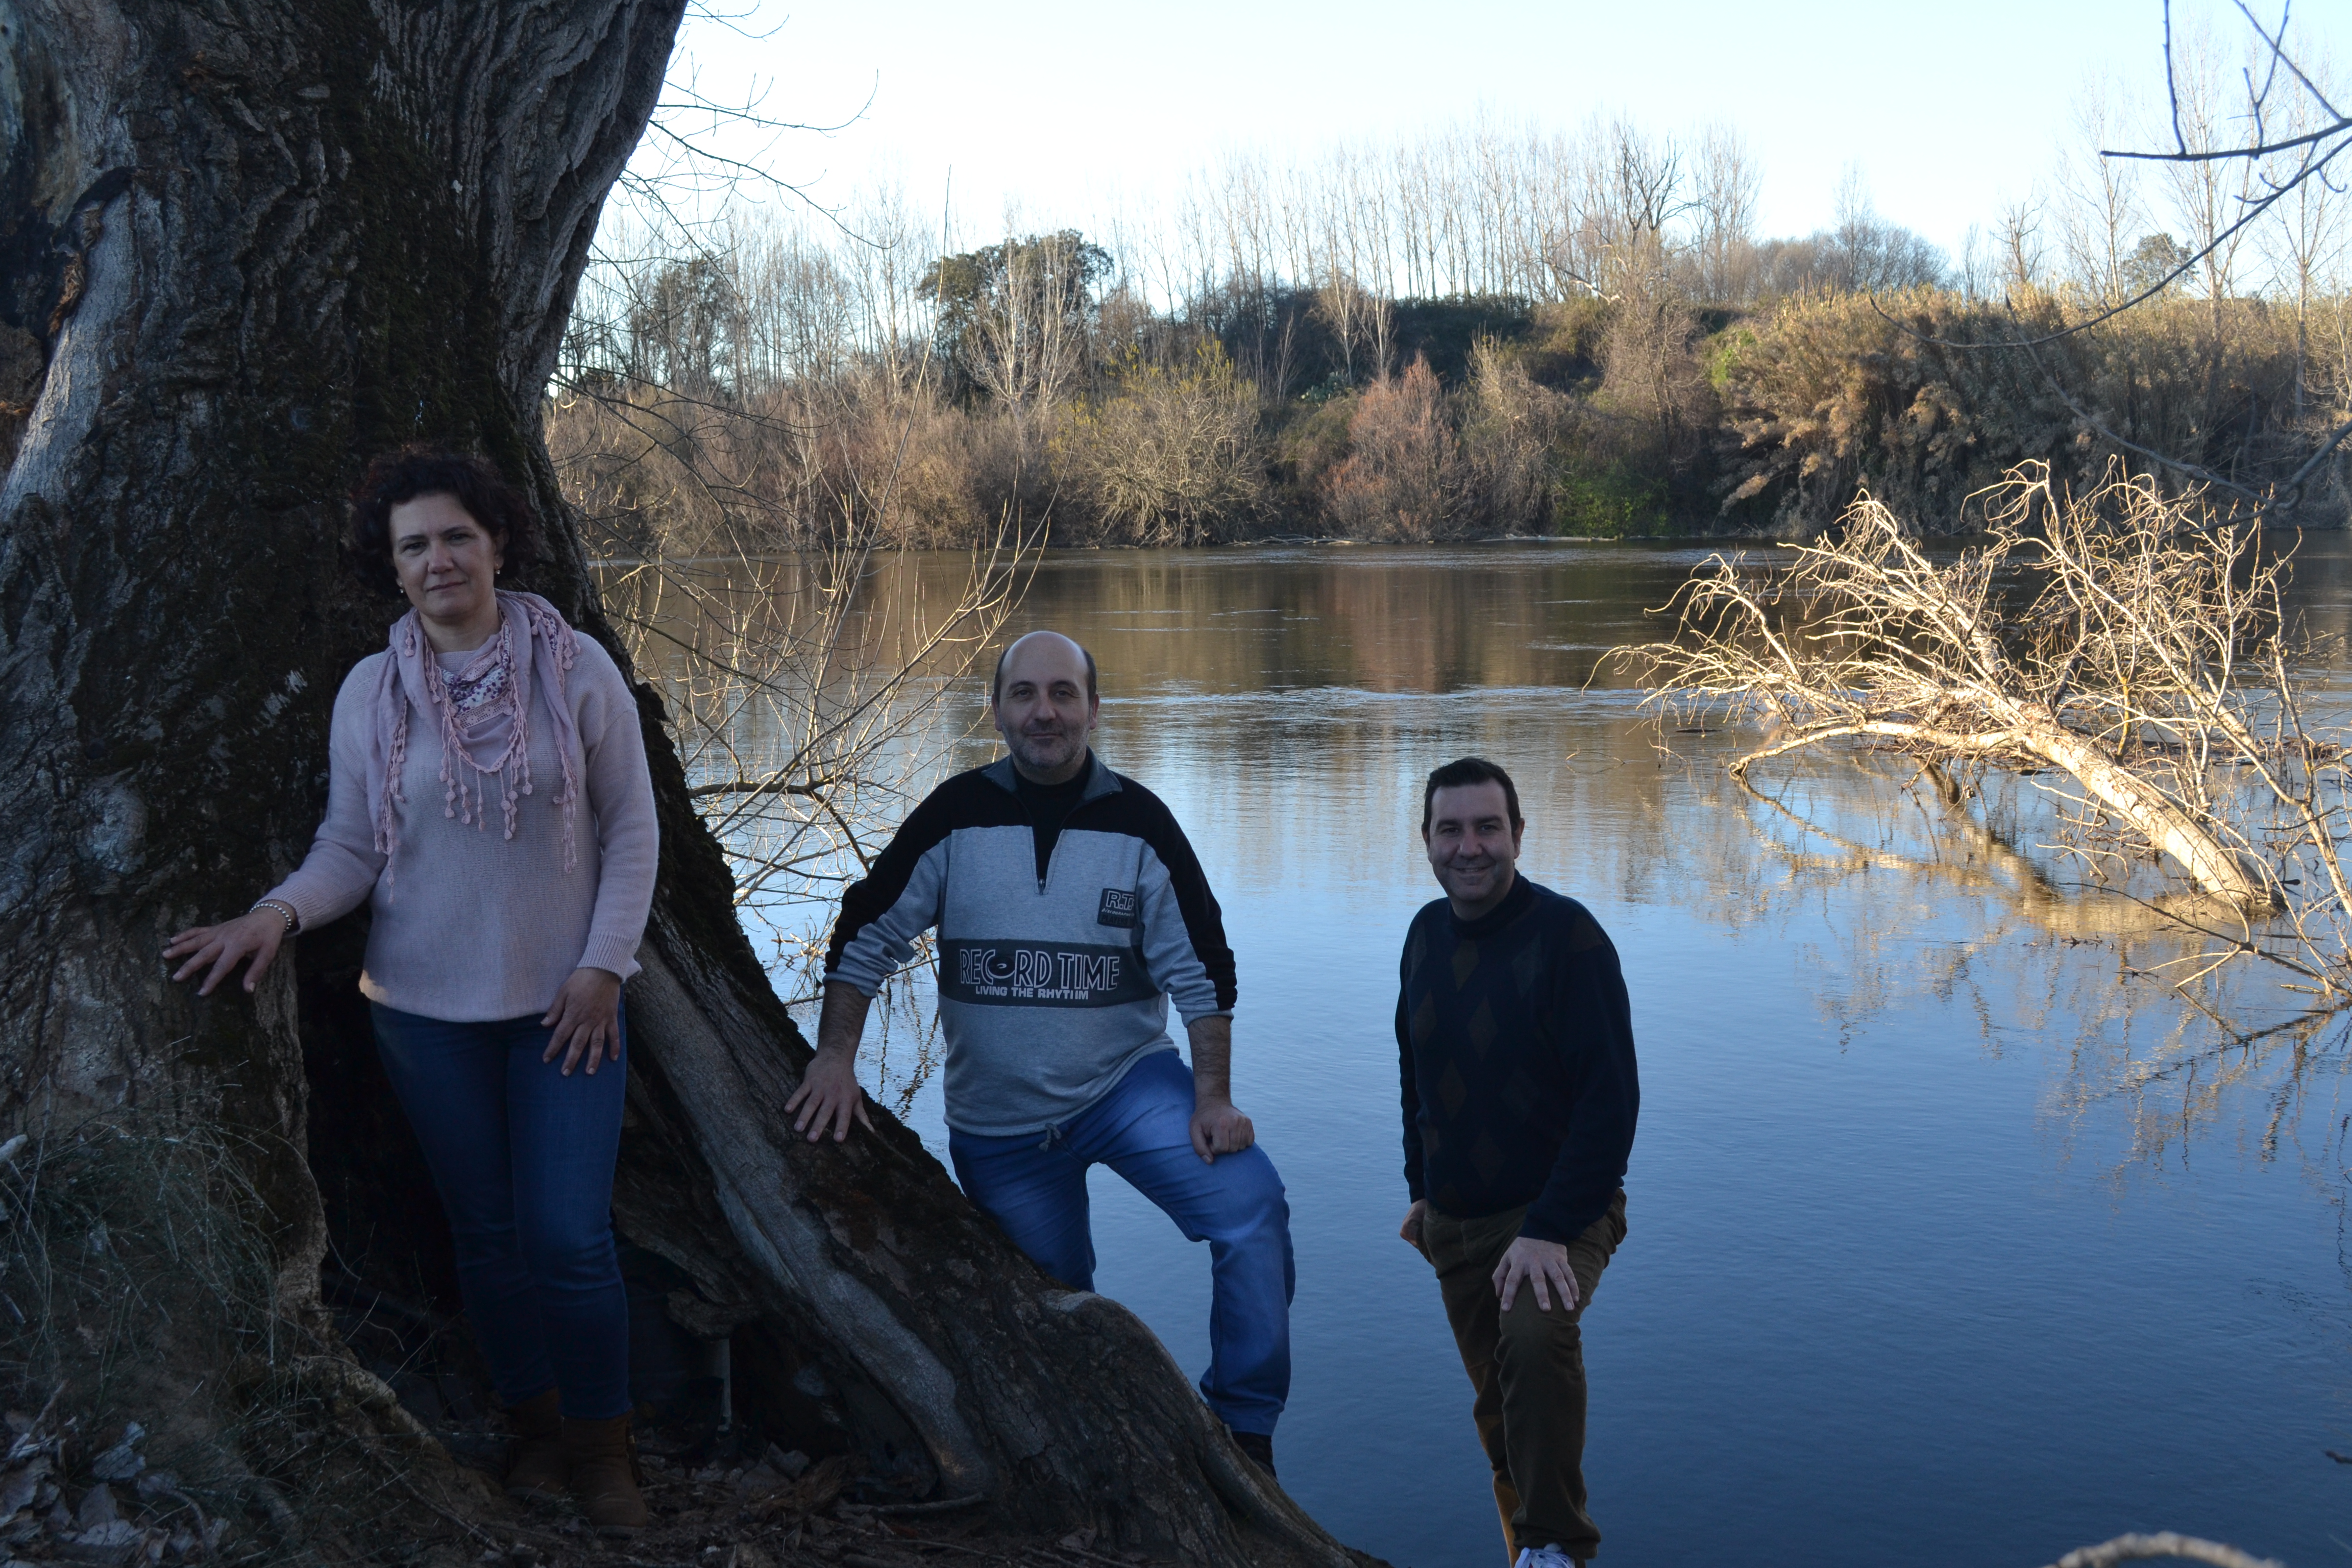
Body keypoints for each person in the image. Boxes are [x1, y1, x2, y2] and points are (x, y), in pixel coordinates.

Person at [163, 449, 659, 1534]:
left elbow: (632, 832)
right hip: (423, 1017)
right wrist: (277, 913)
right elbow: (351, 845)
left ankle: (604, 1447)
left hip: (566, 1014)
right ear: (391, 568)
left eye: (456, 538)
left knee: (569, 1238)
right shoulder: (372, 692)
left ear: (496, 546)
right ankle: (535, 1429)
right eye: (415, 546)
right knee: (484, 1236)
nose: (439, 561)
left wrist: (601, 968)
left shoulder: (574, 669)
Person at [789, 629, 1295, 1475]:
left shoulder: (1142, 824)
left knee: (1252, 1210)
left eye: (1064, 694)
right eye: (1025, 694)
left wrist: (1213, 1097)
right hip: (1003, 1128)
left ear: (1095, 709)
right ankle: (1098, 1463)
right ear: (997, 710)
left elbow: (1204, 970)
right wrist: (835, 1056)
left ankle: (1246, 1434)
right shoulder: (954, 815)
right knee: (1055, 1308)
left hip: (1126, 1090)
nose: (1045, 712)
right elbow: (865, 934)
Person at [1396, 757, 1638, 1568]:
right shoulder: (1424, 935)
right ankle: (1525, 1550)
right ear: (1427, 841)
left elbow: (1612, 1104)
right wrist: (1420, 1194)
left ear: (1519, 836)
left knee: (1534, 1344)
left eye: (1488, 828)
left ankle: (1560, 1548)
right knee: (1500, 1408)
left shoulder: (1569, 939)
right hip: (1456, 1222)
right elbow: (1416, 1073)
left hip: (1558, 1209)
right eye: (1451, 829)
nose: (1470, 847)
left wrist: (1547, 1229)